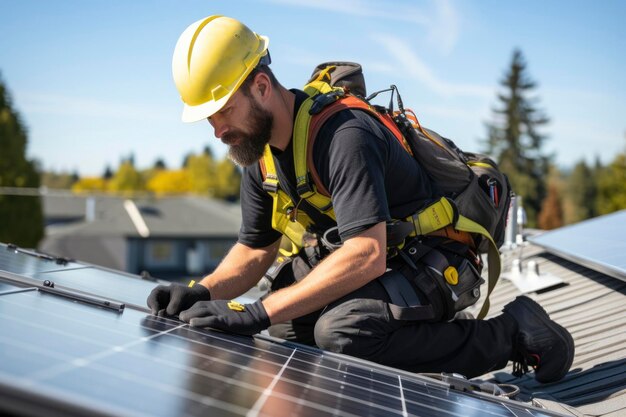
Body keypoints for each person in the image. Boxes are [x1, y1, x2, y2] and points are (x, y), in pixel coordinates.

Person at [147, 15, 574, 383]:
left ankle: (514, 332)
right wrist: (202, 292)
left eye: (222, 111)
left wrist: (255, 313)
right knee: (286, 327)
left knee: (343, 334)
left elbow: (367, 253)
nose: (217, 130)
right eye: (209, 118)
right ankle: (419, 337)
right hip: (387, 262)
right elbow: (256, 248)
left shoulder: (342, 134)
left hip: (435, 258)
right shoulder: (261, 158)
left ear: (261, 86)